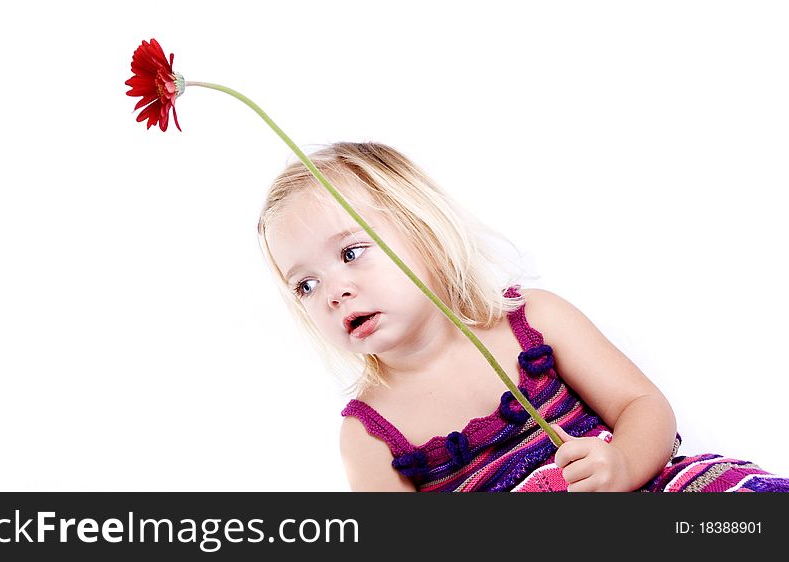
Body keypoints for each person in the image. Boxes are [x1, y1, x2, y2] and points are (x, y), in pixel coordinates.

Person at [257, 141, 789, 492]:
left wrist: (623, 463)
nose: (334, 292)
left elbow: (642, 404)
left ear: (421, 227)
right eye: (305, 284)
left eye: (351, 253)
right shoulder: (370, 435)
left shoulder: (532, 320)